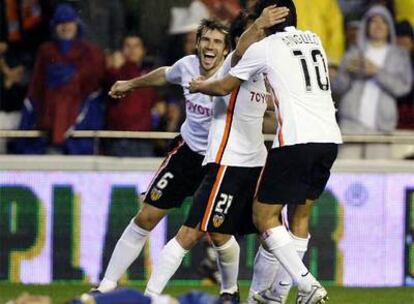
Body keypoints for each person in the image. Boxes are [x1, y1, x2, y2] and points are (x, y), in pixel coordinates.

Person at [190, 0, 343, 303]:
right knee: (299, 218)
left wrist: (199, 86)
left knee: (264, 216)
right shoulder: (314, 40)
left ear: (267, 16)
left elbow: (225, 83)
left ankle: (308, 284)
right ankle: (277, 295)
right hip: (329, 139)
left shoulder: (266, 47)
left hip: (296, 141)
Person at [146, 6, 288, 303]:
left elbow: (270, 104)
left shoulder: (262, 71)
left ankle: (251, 292)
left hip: (254, 164)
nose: (261, 37)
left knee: (264, 233)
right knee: (200, 233)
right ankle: (160, 295)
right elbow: (221, 84)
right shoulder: (234, 64)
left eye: (262, 32)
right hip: (227, 164)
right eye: (255, 32)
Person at [95, 19, 232, 294]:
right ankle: (105, 286)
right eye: (206, 40)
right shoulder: (187, 66)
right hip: (187, 154)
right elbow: (165, 74)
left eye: (217, 42)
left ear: (226, 51)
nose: (210, 46)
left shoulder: (235, 75)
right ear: (197, 43)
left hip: (220, 161)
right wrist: (130, 84)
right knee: (146, 217)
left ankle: (230, 290)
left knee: (219, 233)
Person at [333, 5, 412, 159]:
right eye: (373, 21)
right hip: (351, 126)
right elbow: (338, 89)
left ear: (389, 27)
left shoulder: (399, 55)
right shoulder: (352, 53)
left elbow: (403, 87)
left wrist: (377, 72)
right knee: (346, 175)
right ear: (366, 26)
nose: (378, 26)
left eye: (383, 22)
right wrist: (346, 74)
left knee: (378, 177)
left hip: (381, 129)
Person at [25, 3, 105, 150]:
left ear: (77, 25)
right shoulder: (46, 51)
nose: (65, 27)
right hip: (48, 122)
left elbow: (94, 86)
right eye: (60, 23)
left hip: (80, 120)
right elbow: (36, 86)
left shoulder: (90, 52)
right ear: (54, 26)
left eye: (69, 22)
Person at [105, 35, 162, 157]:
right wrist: (115, 67)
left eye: (136, 46)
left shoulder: (150, 75)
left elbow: (157, 105)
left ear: (143, 50)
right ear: (121, 50)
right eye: (128, 46)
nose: (132, 50)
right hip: (119, 139)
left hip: (144, 139)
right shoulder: (114, 72)